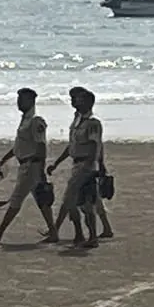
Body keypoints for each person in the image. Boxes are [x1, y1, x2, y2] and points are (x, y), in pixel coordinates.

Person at [0, 87, 52, 244]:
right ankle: (53, 231)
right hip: (25, 164)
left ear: (31, 101)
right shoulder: (25, 121)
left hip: (32, 165)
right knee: (41, 199)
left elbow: (41, 147)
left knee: (16, 199)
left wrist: (41, 169)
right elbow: (19, 147)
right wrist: (3, 160)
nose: (19, 103)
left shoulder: (35, 121)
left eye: (22, 99)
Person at [47, 87, 103, 247]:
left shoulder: (92, 123)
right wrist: (57, 163)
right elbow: (72, 146)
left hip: (85, 166)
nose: (75, 101)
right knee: (82, 202)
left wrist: (91, 166)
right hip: (77, 163)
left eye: (79, 99)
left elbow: (94, 146)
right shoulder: (77, 121)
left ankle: (88, 236)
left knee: (75, 201)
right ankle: (82, 235)